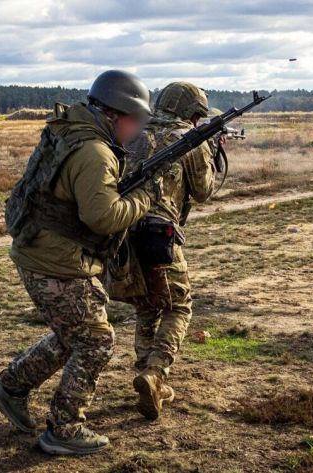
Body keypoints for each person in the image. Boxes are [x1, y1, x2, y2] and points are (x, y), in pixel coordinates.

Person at [0, 70, 160, 455]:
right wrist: (144, 199)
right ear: (116, 114)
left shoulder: (74, 130)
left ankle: (10, 387)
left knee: (74, 335)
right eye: (136, 121)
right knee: (96, 340)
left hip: (40, 250)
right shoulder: (95, 152)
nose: (137, 131)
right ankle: (64, 429)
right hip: (55, 261)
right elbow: (104, 217)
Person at [124, 81, 216, 420]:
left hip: (123, 228)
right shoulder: (188, 139)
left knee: (146, 304)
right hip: (159, 234)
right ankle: (155, 373)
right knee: (179, 306)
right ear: (192, 113)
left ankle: (145, 375)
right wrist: (209, 153)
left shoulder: (134, 131)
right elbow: (203, 191)